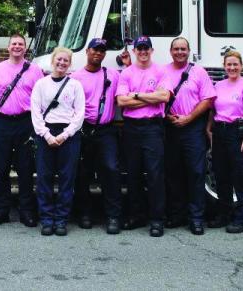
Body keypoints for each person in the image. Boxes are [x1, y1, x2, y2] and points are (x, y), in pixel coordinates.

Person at [0, 33, 43, 228]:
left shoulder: (35, 70)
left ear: (25, 48)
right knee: (2, 168)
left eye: (20, 44)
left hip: (26, 122)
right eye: (14, 44)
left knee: (25, 169)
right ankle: (1, 211)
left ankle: (26, 212)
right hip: (2, 123)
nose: (17, 46)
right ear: (8, 48)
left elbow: (42, 99)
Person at [116, 35, 172, 237]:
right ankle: (136, 215)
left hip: (152, 128)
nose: (142, 51)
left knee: (155, 174)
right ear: (134, 51)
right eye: (139, 48)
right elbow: (122, 101)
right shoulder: (127, 73)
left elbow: (164, 96)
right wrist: (151, 97)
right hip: (131, 128)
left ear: (151, 50)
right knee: (133, 174)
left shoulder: (161, 71)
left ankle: (157, 220)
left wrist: (137, 95)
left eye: (146, 48)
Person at [163, 37, 216, 235]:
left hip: (193, 128)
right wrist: (167, 116)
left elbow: (208, 99)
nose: (179, 52)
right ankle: (177, 215)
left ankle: (196, 219)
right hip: (170, 127)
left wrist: (188, 118)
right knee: (173, 173)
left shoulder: (198, 71)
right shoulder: (163, 71)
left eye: (183, 49)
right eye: (176, 49)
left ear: (189, 51)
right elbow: (157, 97)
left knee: (196, 173)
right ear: (170, 51)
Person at [31, 47, 85, 236]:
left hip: (68, 135)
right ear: (52, 61)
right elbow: (35, 112)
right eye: (59, 59)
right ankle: (46, 219)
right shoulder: (41, 84)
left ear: (70, 64)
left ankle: (61, 220)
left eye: (66, 61)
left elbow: (79, 115)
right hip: (45, 133)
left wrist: (64, 135)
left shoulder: (75, 85)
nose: (62, 63)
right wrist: (47, 135)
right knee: (44, 179)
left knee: (67, 180)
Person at [208, 50, 243, 234]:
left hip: (238, 133)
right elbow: (213, 109)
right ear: (224, 66)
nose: (232, 67)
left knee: (242, 178)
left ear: (241, 66)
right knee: (221, 176)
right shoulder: (218, 85)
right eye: (228, 64)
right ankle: (224, 215)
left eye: (235, 64)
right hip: (220, 132)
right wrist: (209, 127)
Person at [72, 38, 122, 234]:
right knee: (82, 173)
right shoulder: (75, 77)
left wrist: (127, 65)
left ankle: (113, 216)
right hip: (83, 129)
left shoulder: (113, 75)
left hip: (106, 130)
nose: (98, 53)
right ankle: (84, 214)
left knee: (111, 170)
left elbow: (123, 93)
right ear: (87, 51)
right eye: (95, 49)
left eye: (102, 50)